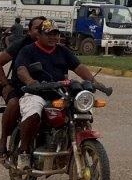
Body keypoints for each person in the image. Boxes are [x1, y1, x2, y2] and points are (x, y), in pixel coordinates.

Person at [14, 20, 99, 171]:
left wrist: (94, 82)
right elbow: (21, 69)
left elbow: (78, 67)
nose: (53, 37)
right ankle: (24, 152)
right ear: (39, 35)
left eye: (56, 34)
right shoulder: (28, 50)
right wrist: (31, 82)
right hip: (37, 92)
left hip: (60, 92)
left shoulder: (62, 50)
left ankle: (69, 144)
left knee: (81, 111)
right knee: (33, 113)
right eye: (49, 34)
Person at [0, 16, 45, 163]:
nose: (40, 31)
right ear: (29, 31)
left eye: (43, 28)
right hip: (18, 86)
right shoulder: (21, 45)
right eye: (37, 28)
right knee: (14, 103)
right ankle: (3, 141)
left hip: (41, 89)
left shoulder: (51, 45)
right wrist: (5, 84)